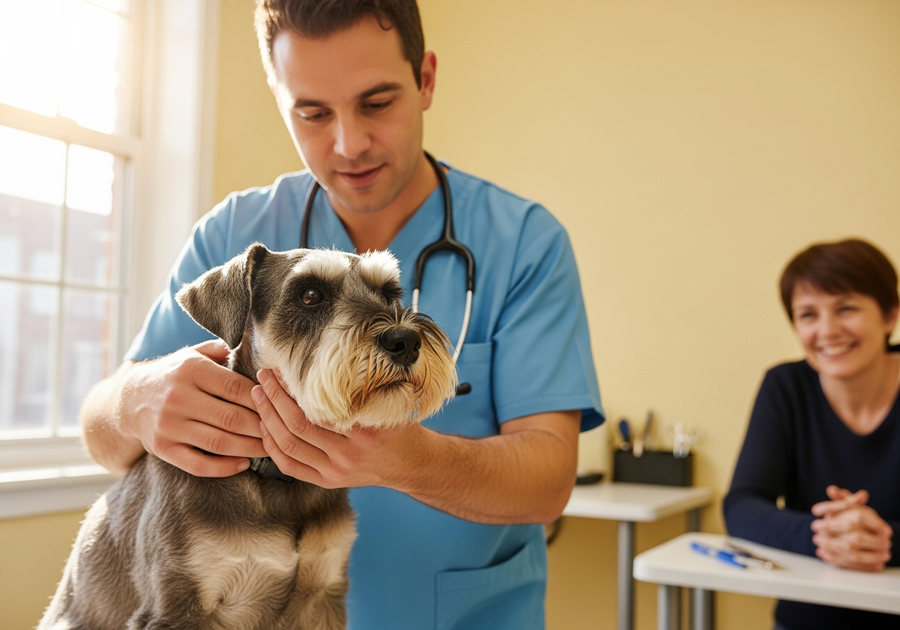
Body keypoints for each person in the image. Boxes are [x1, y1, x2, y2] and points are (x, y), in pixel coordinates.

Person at [78, 1, 604, 628]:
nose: (348, 144)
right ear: (280, 99)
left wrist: (406, 459)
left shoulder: (523, 242)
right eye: (313, 112)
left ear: (426, 79)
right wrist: (133, 398)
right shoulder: (235, 236)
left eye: (376, 103)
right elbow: (105, 437)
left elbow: (549, 481)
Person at [724, 238, 900, 630]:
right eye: (808, 315)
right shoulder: (785, 387)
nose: (828, 330)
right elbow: (741, 505)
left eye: (847, 308)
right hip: (808, 618)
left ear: (890, 315)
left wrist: (883, 540)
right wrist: (822, 535)